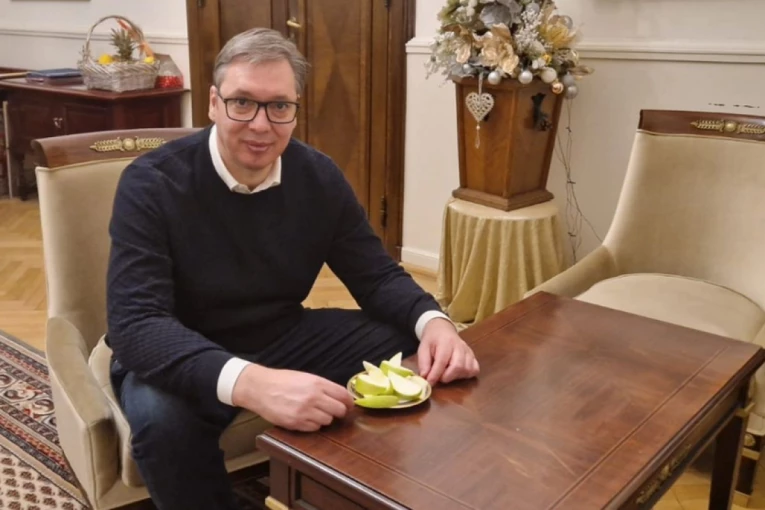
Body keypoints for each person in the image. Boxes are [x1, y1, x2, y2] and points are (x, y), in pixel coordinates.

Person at [106, 27, 479, 510]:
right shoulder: (150, 183)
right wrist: (252, 383)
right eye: (243, 103)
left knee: (414, 345)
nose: (261, 125)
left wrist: (435, 323)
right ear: (214, 104)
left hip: (278, 332)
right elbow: (137, 324)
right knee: (163, 424)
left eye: (279, 106)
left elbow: (376, 275)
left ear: (296, 110)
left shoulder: (318, 176)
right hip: (177, 345)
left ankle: (364, 484)